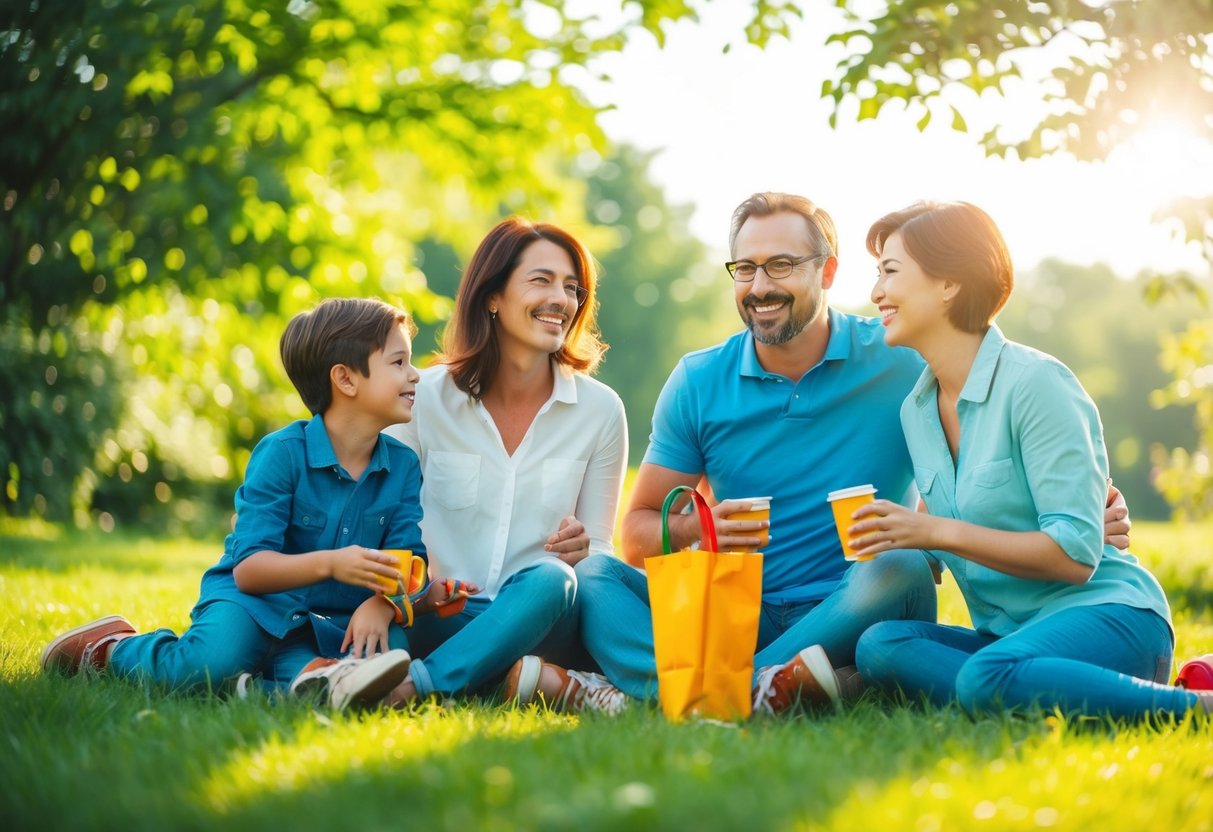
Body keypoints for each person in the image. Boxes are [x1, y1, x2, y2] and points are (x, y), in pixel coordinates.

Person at [503, 192, 1133, 716]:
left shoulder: (900, 356)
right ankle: (767, 689)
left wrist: (1089, 503)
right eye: (744, 269)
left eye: (781, 265)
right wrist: (700, 526)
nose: (760, 286)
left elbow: (1001, 396)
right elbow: (637, 536)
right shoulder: (699, 380)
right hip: (735, 605)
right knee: (593, 574)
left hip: (854, 601)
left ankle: (687, 691)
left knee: (903, 567)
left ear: (827, 272)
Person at [846, 200, 1212, 717]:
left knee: (985, 674)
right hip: (1011, 639)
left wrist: (930, 533)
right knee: (881, 645)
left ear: (948, 282)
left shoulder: (1036, 383)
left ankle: (1190, 707)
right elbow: (937, 536)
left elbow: (1075, 556)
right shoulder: (917, 410)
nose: (876, 292)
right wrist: (891, 537)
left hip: (1109, 617)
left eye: (890, 271)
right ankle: (1027, 690)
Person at [41, 298, 454, 710]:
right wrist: (332, 563)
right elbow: (250, 571)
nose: (416, 375)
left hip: (337, 620)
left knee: (389, 654)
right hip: (254, 605)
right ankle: (114, 647)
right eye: (399, 362)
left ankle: (281, 682)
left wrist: (383, 604)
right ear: (345, 380)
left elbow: (406, 562)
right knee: (204, 667)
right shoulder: (281, 453)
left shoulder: (402, 466)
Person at [381, 216, 628, 705]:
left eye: (572, 287)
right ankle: (515, 678)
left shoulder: (601, 411)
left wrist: (584, 550)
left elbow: (598, 552)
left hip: (539, 618)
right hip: (438, 615)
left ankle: (417, 687)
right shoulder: (423, 398)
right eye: (541, 280)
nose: (561, 298)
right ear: (491, 296)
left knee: (553, 578)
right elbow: (387, 525)